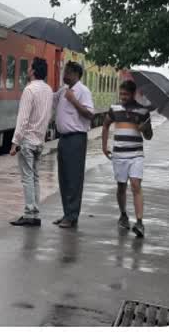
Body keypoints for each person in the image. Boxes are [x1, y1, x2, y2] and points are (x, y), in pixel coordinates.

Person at [102, 80, 152, 238]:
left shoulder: (143, 111)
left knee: (136, 185)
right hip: (119, 154)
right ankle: (123, 215)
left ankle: (139, 223)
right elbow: (105, 125)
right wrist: (104, 146)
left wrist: (145, 129)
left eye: (125, 94)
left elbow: (149, 136)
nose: (122, 97)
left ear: (133, 94)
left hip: (136, 154)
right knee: (121, 186)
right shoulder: (114, 109)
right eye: (121, 94)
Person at [9, 57, 54, 226]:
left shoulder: (29, 90)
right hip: (39, 141)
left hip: (27, 140)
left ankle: (29, 213)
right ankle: (35, 212)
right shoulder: (49, 90)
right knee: (35, 177)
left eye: (29, 68)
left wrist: (15, 142)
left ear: (34, 71)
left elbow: (23, 119)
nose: (27, 70)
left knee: (27, 177)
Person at [53, 61, 94, 229]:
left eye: (68, 72)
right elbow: (51, 100)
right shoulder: (63, 90)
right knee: (64, 178)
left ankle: (72, 215)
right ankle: (67, 213)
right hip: (63, 139)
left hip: (76, 139)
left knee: (74, 178)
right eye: (64, 71)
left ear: (76, 74)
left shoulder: (83, 91)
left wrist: (74, 101)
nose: (64, 75)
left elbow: (90, 114)